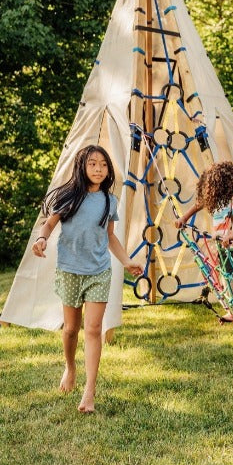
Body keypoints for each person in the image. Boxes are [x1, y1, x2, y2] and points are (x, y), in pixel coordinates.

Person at [32, 145, 142, 413]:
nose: (98, 169)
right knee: (71, 329)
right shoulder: (70, 197)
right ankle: (70, 367)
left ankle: (89, 392)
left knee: (93, 330)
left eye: (103, 165)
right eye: (92, 164)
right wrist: (42, 238)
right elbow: (49, 223)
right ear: (82, 167)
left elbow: (110, 236)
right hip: (70, 270)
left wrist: (126, 261)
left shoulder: (109, 201)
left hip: (99, 272)